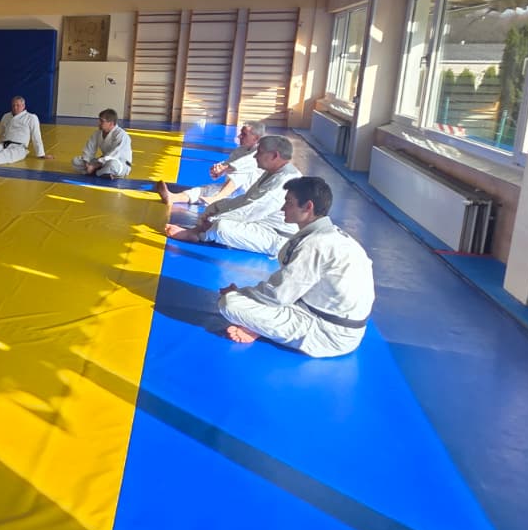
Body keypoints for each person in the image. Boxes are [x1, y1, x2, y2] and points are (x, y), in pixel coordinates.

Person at [216, 177, 375, 357]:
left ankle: (261, 328)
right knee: (248, 300)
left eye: (289, 202)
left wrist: (240, 293)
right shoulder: (332, 236)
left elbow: (278, 295)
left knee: (230, 303)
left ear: (308, 207)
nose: (283, 208)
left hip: (327, 334)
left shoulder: (316, 244)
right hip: (332, 320)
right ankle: (261, 326)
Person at [164, 135, 301, 256]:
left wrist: (214, 219)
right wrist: (217, 210)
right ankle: (199, 230)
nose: (255, 156)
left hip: (275, 236)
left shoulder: (283, 181)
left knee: (221, 227)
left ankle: (198, 235)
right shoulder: (273, 172)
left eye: (259, 152)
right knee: (215, 206)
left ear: (274, 156)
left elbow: (251, 211)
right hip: (261, 220)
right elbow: (246, 199)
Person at [158, 121, 265, 206]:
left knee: (240, 174)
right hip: (234, 190)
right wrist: (217, 170)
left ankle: (217, 198)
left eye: (244, 134)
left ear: (256, 138)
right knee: (204, 190)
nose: (240, 136)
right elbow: (228, 163)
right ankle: (173, 198)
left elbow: (242, 164)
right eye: (241, 133)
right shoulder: (240, 150)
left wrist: (224, 168)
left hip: (253, 194)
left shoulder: (261, 152)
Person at [0, 96, 51, 167]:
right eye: (13, 105)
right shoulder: (6, 116)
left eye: (18, 105)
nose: (15, 107)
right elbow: (1, 133)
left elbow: (36, 136)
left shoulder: (31, 117)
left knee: (7, 155)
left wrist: (41, 154)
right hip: (4, 144)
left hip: (19, 147)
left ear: (23, 106)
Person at [72, 108, 132, 178]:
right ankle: (102, 173)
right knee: (76, 161)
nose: (99, 123)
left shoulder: (121, 135)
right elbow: (89, 149)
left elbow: (114, 154)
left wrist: (95, 165)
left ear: (111, 123)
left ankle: (97, 172)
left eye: (102, 121)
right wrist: (87, 163)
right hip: (103, 162)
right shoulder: (98, 133)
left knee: (112, 165)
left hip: (120, 163)